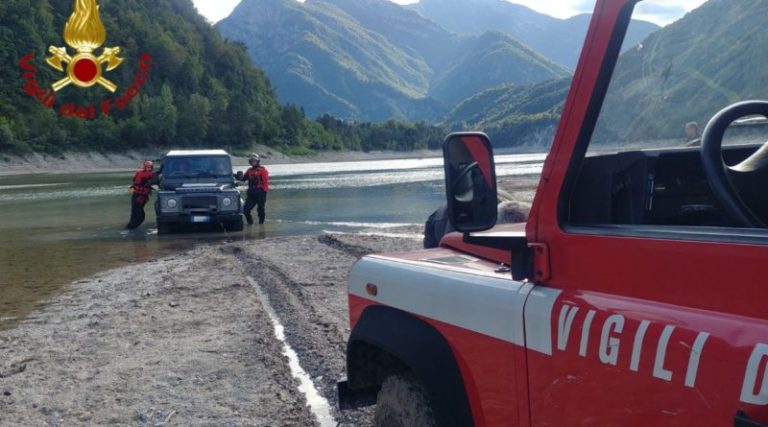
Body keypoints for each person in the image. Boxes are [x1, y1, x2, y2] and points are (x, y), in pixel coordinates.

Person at [240, 153, 270, 225]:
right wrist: (236, 177)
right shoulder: (249, 170)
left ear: (257, 161)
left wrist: (264, 192)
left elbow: (265, 182)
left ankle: (261, 224)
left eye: (255, 161)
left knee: (261, 210)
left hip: (260, 193)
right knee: (246, 210)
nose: (253, 162)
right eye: (252, 161)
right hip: (251, 194)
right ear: (250, 162)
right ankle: (250, 223)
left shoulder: (263, 170)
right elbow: (243, 179)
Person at [125, 160, 157, 230]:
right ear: (145, 167)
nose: (149, 169)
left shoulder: (151, 174)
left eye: (150, 167)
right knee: (140, 216)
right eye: (148, 167)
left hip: (142, 197)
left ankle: (130, 228)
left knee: (136, 215)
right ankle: (129, 228)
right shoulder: (142, 174)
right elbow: (137, 183)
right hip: (138, 196)